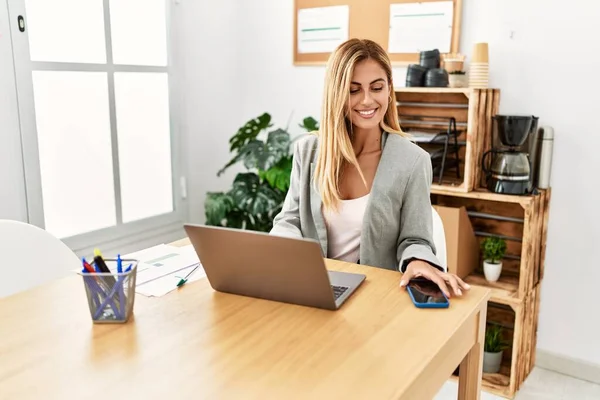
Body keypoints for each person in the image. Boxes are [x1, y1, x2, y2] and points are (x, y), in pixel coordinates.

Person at [270, 38, 469, 298]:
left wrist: (418, 262)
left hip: (374, 298)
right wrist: (282, 253)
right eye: (353, 90)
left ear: (389, 89)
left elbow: (416, 239)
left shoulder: (412, 161)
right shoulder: (308, 151)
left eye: (376, 87)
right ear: (336, 93)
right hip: (311, 290)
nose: (367, 100)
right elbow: (290, 219)